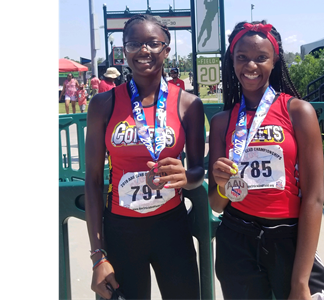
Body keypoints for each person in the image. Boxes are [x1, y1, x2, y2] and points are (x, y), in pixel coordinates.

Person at [85, 13, 205, 300]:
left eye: (153, 43)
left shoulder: (189, 104)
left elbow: (198, 171)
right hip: (120, 231)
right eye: (134, 43)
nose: (143, 51)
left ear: (167, 48)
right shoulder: (103, 104)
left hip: (172, 229)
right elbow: (91, 180)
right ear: (124, 50)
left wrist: (186, 176)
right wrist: (98, 256)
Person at [208, 21, 324, 300]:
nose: (251, 66)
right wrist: (221, 184)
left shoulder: (298, 111)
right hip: (237, 238)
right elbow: (216, 205)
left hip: (289, 238)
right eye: (242, 58)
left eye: (261, 57)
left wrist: (300, 282)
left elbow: (314, 198)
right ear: (232, 61)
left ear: (275, 61)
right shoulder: (221, 122)